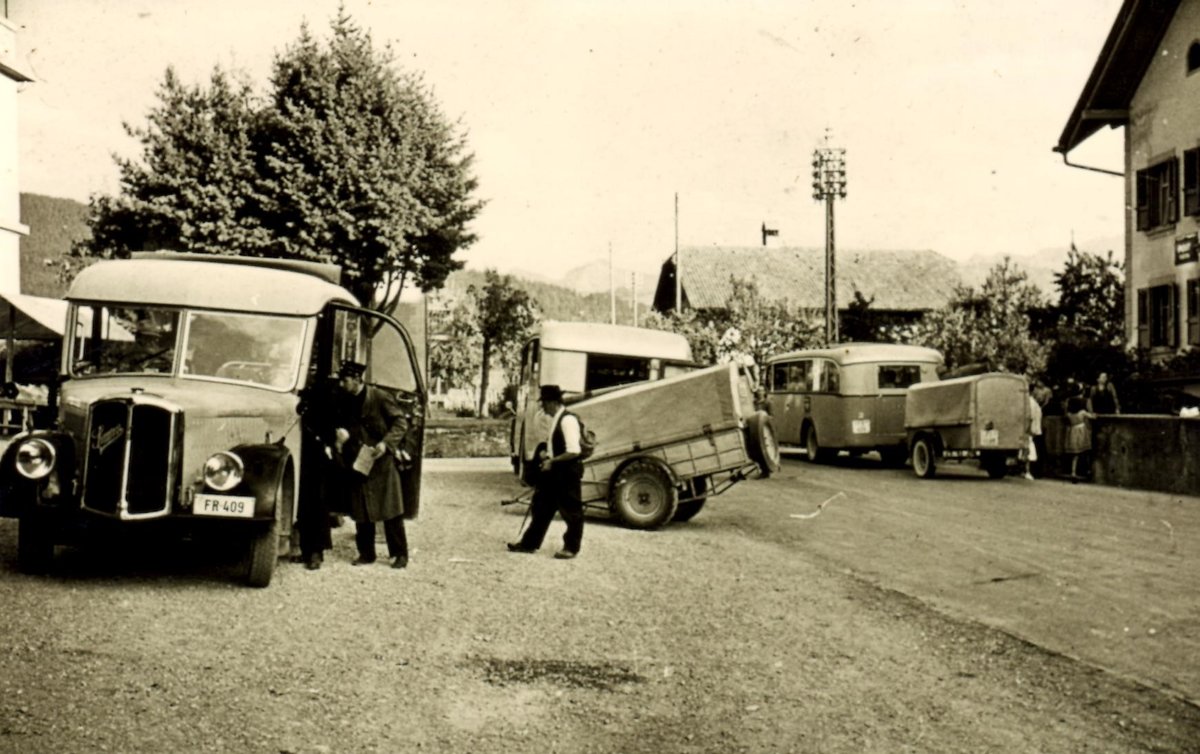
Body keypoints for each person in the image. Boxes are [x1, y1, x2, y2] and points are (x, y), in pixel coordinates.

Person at [331, 360, 411, 569]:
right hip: (357, 459)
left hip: (380, 459)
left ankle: (400, 554)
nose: (341, 384)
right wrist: (340, 438)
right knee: (361, 509)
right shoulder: (344, 399)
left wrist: (386, 444)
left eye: (345, 380)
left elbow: (401, 422)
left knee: (390, 509)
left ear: (357, 380)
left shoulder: (379, 397)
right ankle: (366, 554)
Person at [507, 384, 584, 560]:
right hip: (555, 472)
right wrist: (546, 453)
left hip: (567, 473)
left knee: (571, 511)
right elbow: (558, 445)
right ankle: (529, 543)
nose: (543, 408)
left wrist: (552, 461)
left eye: (544, 404)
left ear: (552, 402)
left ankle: (571, 547)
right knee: (541, 507)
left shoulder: (567, 420)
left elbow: (574, 451)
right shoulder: (557, 418)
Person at [1064, 385, 1096, 483]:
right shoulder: (1083, 410)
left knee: (1075, 454)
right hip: (1082, 430)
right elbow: (1093, 416)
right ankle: (1087, 471)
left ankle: (1073, 472)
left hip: (1072, 430)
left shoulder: (1068, 408)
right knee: (1085, 450)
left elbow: (1065, 414)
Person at [1024, 383, 1043, 481]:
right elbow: (1030, 417)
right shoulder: (1030, 402)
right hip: (1029, 429)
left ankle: (1025, 470)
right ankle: (1027, 471)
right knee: (1029, 449)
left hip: (1029, 429)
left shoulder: (1027, 401)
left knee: (1027, 449)